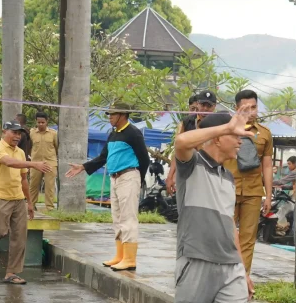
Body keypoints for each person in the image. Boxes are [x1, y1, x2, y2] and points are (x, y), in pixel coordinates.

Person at [164, 111, 281, 303]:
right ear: (217, 137)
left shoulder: (228, 176)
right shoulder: (191, 166)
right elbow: (181, 141)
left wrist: (243, 270)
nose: (241, 140)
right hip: (196, 261)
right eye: (236, 135)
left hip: (228, 267)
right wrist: (225, 125)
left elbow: (230, 224)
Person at [65, 103, 150, 271]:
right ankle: (120, 255)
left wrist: (137, 180)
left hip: (128, 176)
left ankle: (130, 259)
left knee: (128, 218)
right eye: (108, 114)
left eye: (112, 114)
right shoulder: (113, 133)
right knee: (117, 218)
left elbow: (144, 159)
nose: (109, 117)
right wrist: (83, 166)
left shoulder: (133, 133)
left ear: (123, 114)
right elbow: (104, 156)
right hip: (115, 178)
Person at [0, 121, 52, 284]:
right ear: (5, 131)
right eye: (14, 132)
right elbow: (9, 162)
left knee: (19, 236)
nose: (17, 136)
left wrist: (29, 203)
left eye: (19, 133)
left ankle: (11, 273)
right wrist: (34, 163)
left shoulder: (21, 152)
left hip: (18, 200)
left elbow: (23, 179)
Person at [223, 90, 274, 275]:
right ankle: (222, 276)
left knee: (248, 237)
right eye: (246, 108)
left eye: (254, 107)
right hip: (228, 188)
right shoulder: (226, 129)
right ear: (237, 108)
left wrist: (268, 195)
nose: (251, 111)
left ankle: (243, 278)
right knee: (224, 234)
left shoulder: (264, 134)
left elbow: (267, 166)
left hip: (253, 192)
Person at [166, 90, 218, 195]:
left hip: (211, 173)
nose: (205, 109)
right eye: (203, 105)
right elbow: (177, 150)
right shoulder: (187, 122)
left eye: (209, 106)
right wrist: (170, 176)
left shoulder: (219, 125)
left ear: (214, 107)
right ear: (198, 104)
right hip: (188, 171)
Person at [29, 112, 59, 211]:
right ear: (36, 122)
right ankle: (31, 205)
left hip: (50, 163)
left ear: (47, 122)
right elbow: (30, 146)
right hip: (35, 163)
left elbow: (57, 147)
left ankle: (50, 207)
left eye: (43, 122)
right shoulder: (32, 132)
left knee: (49, 186)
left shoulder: (53, 133)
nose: (41, 124)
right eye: (39, 122)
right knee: (33, 185)